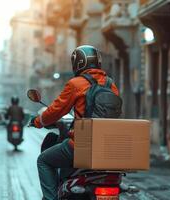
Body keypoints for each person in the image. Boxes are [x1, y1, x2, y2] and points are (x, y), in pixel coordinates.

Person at [29, 45, 120, 200]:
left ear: (77, 63)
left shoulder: (76, 84)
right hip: (106, 146)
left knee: (43, 160)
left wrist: (37, 121)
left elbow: (56, 111)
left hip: (80, 146)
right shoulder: (111, 85)